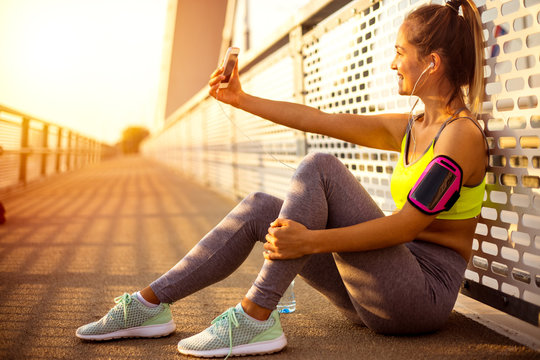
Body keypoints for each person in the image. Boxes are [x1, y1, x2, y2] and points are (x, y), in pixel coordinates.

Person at [76, 0, 487, 358]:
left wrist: (312, 241)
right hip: (379, 289)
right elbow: (319, 120)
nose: (393, 64)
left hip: (419, 298)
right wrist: (241, 99)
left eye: (400, 53)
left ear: (431, 62)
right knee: (259, 207)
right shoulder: (411, 128)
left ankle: (256, 314)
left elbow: (407, 225)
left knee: (321, 167)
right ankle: (149, 304)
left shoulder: (460, 138)